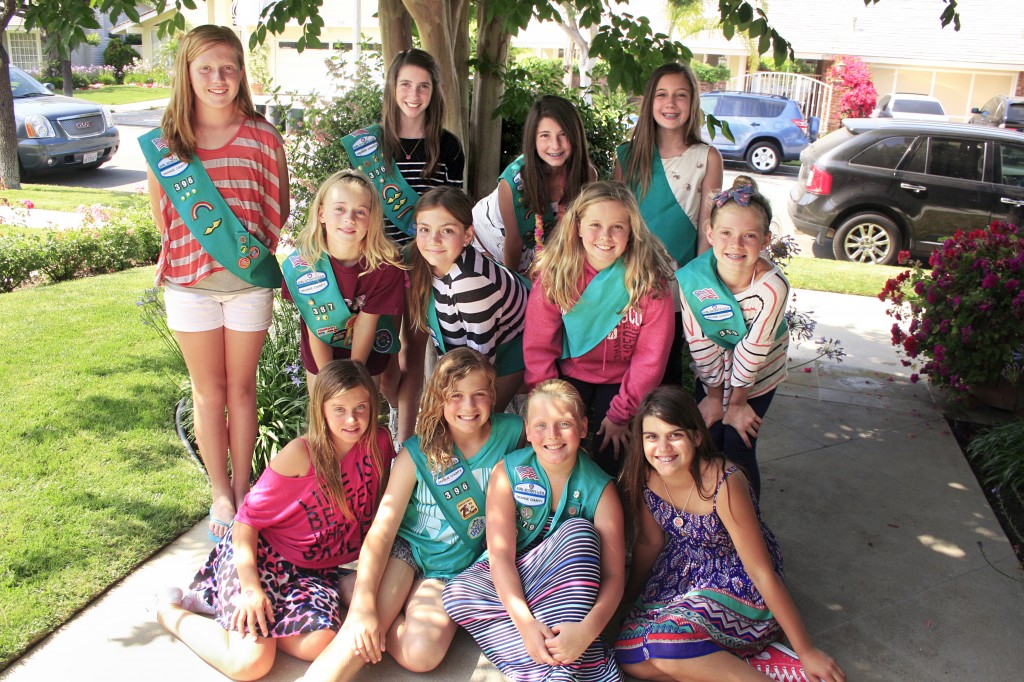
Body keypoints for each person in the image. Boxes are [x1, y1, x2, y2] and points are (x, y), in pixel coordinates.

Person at [155, 360, 395, 681]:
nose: (352, 419)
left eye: (361, 408)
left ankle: (251, 617)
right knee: (250, 664)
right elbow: (245, 523)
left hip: (312, 569)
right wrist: (252, 589)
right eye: (339, 409)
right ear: (321, 409)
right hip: (262, 558)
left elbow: (379, 510)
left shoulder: (378, 443)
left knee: (320, 643)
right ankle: (168, 611)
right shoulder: (301, 454)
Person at [141, 25, 289, 541]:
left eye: (228, 66)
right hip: (188, 284)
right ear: (186, 73)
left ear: (242, 71)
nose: (218, 78)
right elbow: (163, 216)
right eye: (205, 68)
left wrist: (243, 258)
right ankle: (220, 493)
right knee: (209, 393)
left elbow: (277, 209)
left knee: (243, 390)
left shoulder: (264, 136)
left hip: (248, 285)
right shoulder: (167, 142)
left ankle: (245, 491)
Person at [301, 348, 524, 682]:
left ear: (492, 395)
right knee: (362, 626)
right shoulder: (417, 453)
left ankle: (362, 594)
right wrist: (364, 608)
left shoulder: (513, 432)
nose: (468, 406)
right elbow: (383, 531)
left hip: (452, 568)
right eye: (455, 396)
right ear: (438, 398)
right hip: (407, 552)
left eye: (479, 394)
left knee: (421, 654)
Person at [614, 386, 846, 682]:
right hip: (682, 572)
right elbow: (649, 542)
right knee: (630, 654)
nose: (663, 448)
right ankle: (748, 664)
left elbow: (760, 571)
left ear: (696, 436)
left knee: (664, 644)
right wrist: (629, 597)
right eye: (652, 436)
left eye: (675, 435)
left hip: (736, 577)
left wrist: (807, 650)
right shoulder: (647, 475)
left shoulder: (724, 482)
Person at [443, 379, 625, 682]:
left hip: (564, 586)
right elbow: (500, 556)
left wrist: (587, 630)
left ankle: (559, 665)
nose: (551, 435)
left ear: (583, 427)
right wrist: (526, 624)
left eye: (563, 423)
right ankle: (574, 660)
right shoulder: (508, 472)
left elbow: (614, 576)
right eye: (540, 425)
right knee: (456, 593)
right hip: (515, 577)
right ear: (527, 431)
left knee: (578, 533)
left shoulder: (601, 490)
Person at [342, 48, 466, 446]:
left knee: (413, 355)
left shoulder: (447, 147)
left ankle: (403, 446)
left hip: (423, 266)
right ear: (392, 88)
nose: (414, 94)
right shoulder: (370, 146)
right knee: (379, 359)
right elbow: (359, 205)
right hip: (378, 266)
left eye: (424, 86)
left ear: (434, 92)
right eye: (406, 84)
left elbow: (453, 210)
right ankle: (402, 410)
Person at [523, 181, 675, 476]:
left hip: (624, 381)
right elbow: (539, 345)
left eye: (617, 226)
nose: (605, 236)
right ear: (577, 226)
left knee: (613, 451)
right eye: (595, 225)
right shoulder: (556, 274)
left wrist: (622, 414)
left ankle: (612, 513)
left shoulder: (648, 280)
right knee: (559, 451)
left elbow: (650, 358)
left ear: (632, 230)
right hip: (567, 376)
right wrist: (550, 405)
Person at [675, 178, 789, 499]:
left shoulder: (772, 287)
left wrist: (736, 403)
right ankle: (710, 516)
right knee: (708, 439)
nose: (736, 245)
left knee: (738, 444)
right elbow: (699, 343)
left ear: (765, 240)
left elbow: (753, 352)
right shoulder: (692, 280)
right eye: (725, 233)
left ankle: (748, 524)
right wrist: (714, 398)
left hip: (758, 376)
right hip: (713, 372)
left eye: (749, 236)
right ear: (710, 234)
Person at [615, 63, 724, 386]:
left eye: (681, 95)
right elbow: (615, 222)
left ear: (693, 103)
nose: (671, 104)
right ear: (650, 101)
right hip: (629, 284)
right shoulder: (627, 155)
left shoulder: (708, 158)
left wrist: (697, 286)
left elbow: (708, 229)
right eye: (662, 95)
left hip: (677, 287)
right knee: (622, 373)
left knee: (666, 374)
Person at [281, 169, 406, 392]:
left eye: (360, 211)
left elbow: (366, 324)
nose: (349, 218)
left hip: (367, 351)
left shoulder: (384, 266)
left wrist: (355, 375)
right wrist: (329, 379)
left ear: (372, 219)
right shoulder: (302, 265)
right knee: (324, 409)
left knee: (362, 406)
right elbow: (314, 325)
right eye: (339, 209)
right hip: (321, 347)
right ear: (321, 214)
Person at [408, 186, 528, 410]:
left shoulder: (470, 284)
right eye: (424, 229)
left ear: (468, 236)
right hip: (476, 352)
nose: (433, 240)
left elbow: (480, 365)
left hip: (510, 354)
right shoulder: (426, 262)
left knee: (473, 418)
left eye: (447, 231)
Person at [472, 95, 597, 274]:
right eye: (545, 136)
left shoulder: (587, 175)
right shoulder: (511, 184)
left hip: (534, 251)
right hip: (489, 242)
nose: (555, 145)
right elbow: (513, 242)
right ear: (533, 139)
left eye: (563, 134)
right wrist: (515, 288)